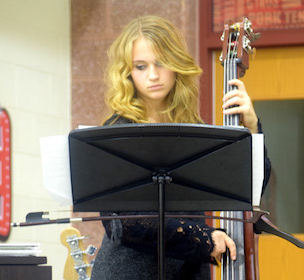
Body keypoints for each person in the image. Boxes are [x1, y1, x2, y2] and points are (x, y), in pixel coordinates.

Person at [90, 15, 270, 280]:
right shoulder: (115, 134)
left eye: (161, 63)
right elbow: (123, 224)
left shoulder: (194, 130)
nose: (152, 75)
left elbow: (246, 190)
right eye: (140, 66)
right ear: (127, 72)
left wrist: (252, 128)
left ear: (176, 64)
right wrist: (204, 239)